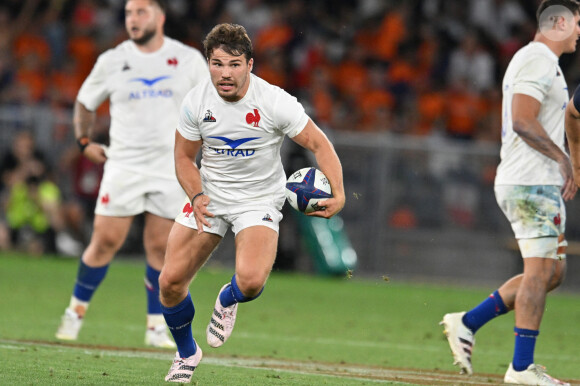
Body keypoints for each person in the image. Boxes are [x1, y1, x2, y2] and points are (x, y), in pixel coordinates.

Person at [158, 23, 345, 382]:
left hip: (258, 199)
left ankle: (227, 299)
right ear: (208, 64)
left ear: (250, 65)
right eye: (217, 64)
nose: (225, 73)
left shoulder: (275, 101)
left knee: (252, 283)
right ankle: (186, 354)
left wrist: (338, 193)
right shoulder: (196, 102)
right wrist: (196, 195)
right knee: (170, 282)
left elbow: (320, 144)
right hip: (210, 195)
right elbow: (183, 158)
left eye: (234, 64)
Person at [55, 0, 208, 348]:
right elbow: (84, 102)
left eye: (141, 12)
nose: (133, 19)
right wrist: (83, 141)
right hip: (123, 164)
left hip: (171, 167)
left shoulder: (187, 60)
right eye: (128, 13)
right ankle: (74, 313)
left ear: (160, 16)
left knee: (159, 246)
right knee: (105, 241)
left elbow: (209, 104)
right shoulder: (112, 60)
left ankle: (155, 326)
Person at [441, 1, 580, 385]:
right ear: (560, 22)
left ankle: (467, 322)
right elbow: (522, 119)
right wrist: (563, 158)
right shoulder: (537, 58)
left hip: (534, 179)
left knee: (553, 273)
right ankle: (521, 368)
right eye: (578, 22)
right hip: (532, 180)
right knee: (539, 273)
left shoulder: (542, 62)